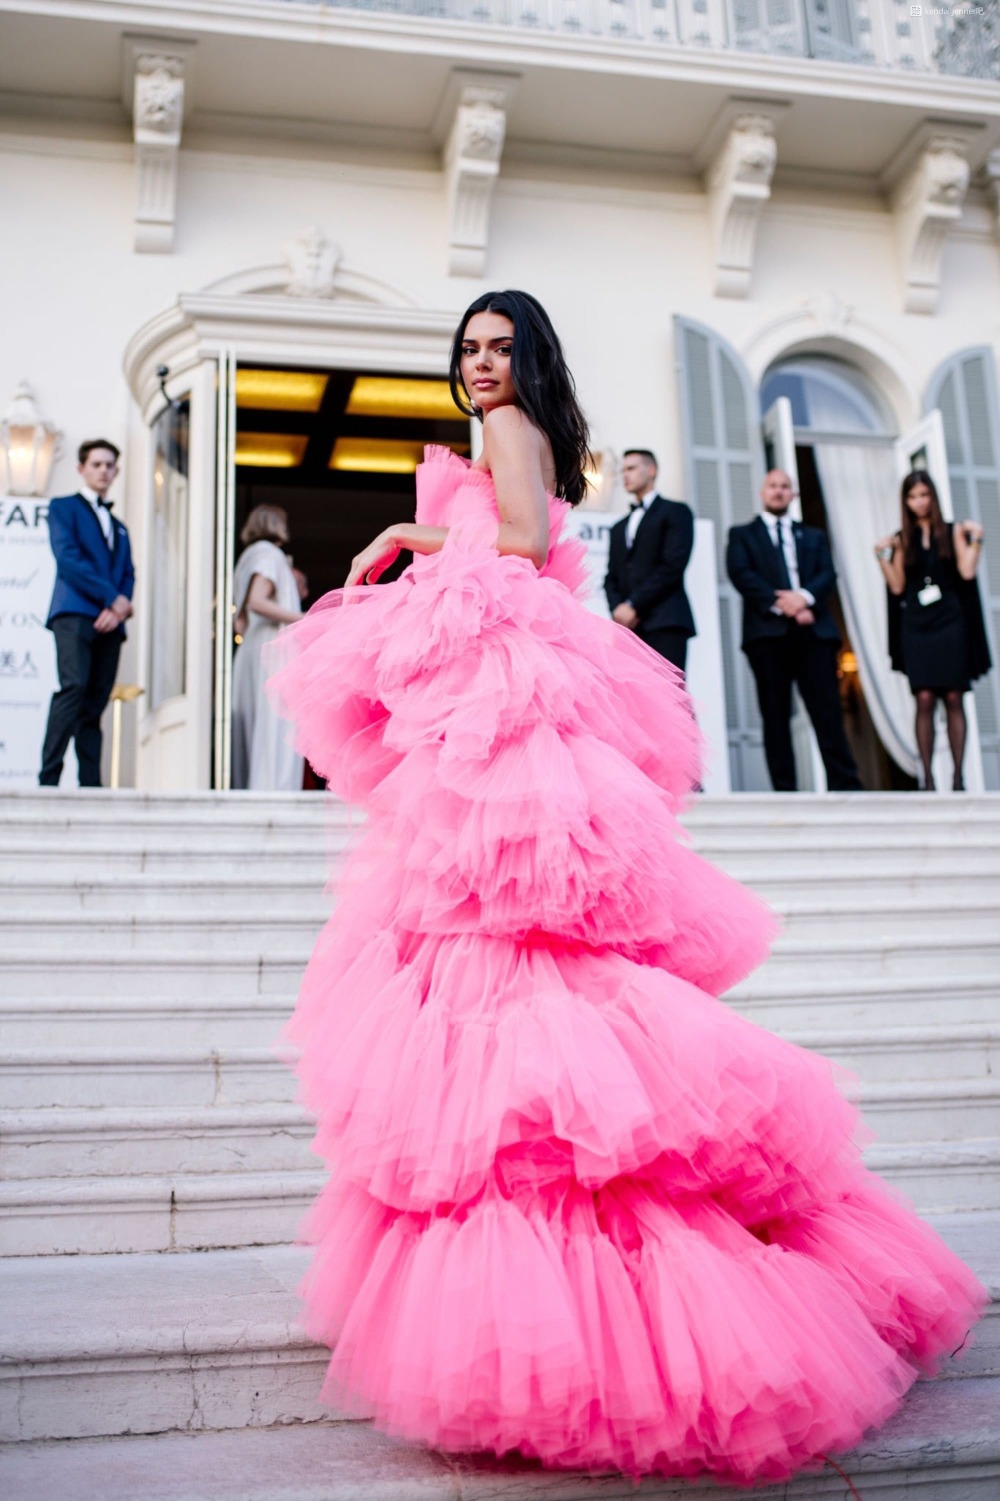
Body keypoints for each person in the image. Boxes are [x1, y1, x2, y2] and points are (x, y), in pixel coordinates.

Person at [266, 291, 983, 1485]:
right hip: (508, 701)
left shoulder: (510, 438)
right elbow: (531, 552)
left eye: (500, 349)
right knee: (502, 950)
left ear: (530, 359)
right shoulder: (523, 436)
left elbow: (509, 544)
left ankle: (553, 1334)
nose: (480, 365)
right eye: (470, 349)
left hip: (509, 708)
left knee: (505, 956)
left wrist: (403, 542)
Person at [727, 470, 862, 792]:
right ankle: (785, 789)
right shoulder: (742, 534)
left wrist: (804, 599)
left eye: (785, 486)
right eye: (773, 486)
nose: (778, 491)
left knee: (827, 711)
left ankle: (846, 785)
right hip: (767, 636)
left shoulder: (813, 535)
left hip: (813, 636)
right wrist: (786, 604)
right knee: (775, 716)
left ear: (793, 495)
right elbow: (741, 574)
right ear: (762, 492)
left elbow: (827, 574)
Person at [876, 469, 991, 791]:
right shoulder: (900, 540)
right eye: (912, 497)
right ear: (906, 501)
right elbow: (897, 585)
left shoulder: (952, 531)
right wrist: (882, 556)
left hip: (950, 622)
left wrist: (977, 538)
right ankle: (926, 777)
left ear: (933, 496)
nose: (919, 502)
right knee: (924, 697)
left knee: (954, 696)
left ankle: (957, 777)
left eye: (924, 495)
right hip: (917, 625)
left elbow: (967, 572)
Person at [39, 439, 134, 787]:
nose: (103, 470)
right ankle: (48, 779)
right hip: (75, 614)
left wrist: (119, 607)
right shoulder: (63, 507)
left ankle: (91, 785)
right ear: (82, 468)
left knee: (94, 704)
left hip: (111, 623)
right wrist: (112, 599)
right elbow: (69, 560)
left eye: (110, 465)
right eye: (96, 464)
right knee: (73, 688)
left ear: (116, 471)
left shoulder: (119, 525)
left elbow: (128, 572)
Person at [231, 504, 303, 791]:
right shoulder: (268, 554)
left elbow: (240, 621)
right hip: (271, 646)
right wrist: (304, 618)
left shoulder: (247, 558)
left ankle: (256, 785)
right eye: (283, 521)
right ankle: (273, 789)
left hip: (252, 644)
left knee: (256, 721)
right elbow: (257, 601)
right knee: (276, 721)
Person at [603, 449, 695, 671]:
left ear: (651, 470)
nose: (625, 475)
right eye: (623, 470)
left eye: (631, 468)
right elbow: (611, 577)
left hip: (665, 620)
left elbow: (673, 566)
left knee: (669, 698)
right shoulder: (618, 527)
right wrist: (619, 609)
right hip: (629, 629)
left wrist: (634, 604)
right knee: (632, 699)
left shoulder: (676, 512)